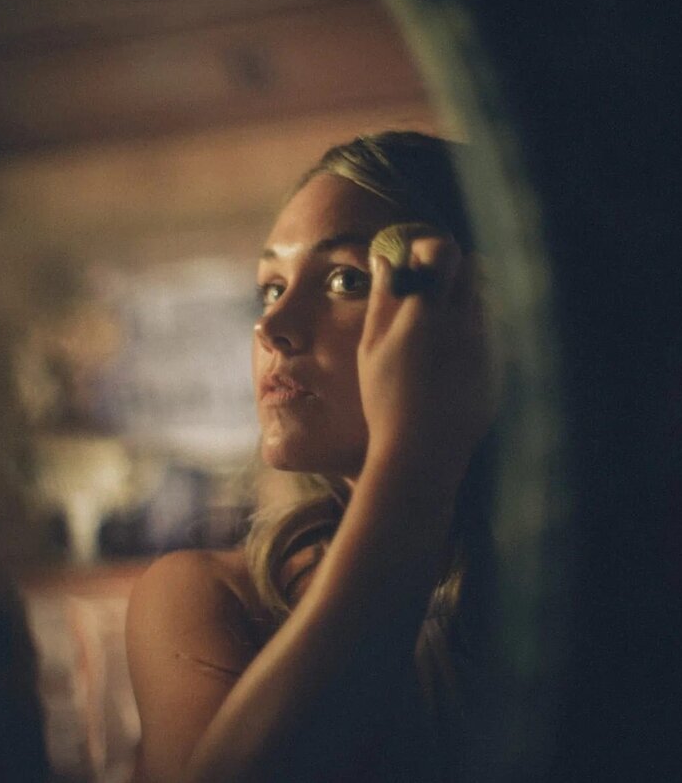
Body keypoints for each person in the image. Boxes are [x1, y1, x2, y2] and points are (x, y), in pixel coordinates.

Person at [125, 132, 499, 782]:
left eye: (345, 278)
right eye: (270, 288)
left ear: (475, 312)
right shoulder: (212, 598)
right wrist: (411, 461)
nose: (272, 329)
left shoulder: (580, 576)